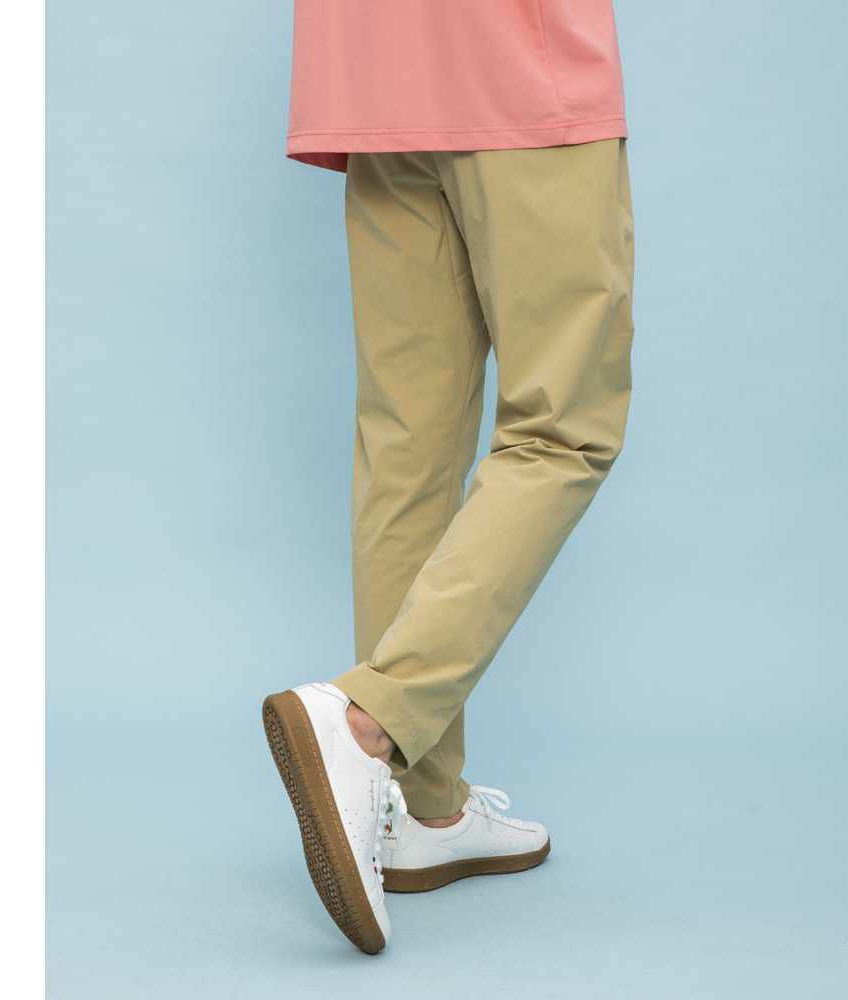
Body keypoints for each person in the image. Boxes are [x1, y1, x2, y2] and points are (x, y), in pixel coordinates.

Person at [262, 0, 635, 954]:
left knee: (406, 454)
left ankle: (422, 814)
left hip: (371, 82)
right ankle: (370, 722)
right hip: (519, 70)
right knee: (563, 431)